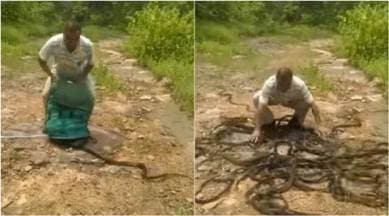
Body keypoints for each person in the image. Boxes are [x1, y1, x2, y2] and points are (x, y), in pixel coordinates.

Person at [38, 20, 95, 140]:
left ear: (79, 36)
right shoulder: (54, 42)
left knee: (91, 97)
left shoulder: (87, 45)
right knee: (45, 94)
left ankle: (82, 124)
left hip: (78, 72)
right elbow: (41, 58)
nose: (72, 42)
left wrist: (83, 76)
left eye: (76, 39)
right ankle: (47, 119)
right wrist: (51, 75)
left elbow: (91, 64)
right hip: (59, 71)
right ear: (63, 35)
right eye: (68, 38)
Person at [250, 67, 321, 143]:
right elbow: (261, 108)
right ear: (276, 79)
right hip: (274, 99)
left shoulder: (300, 84)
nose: (283, 87)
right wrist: (257, 129)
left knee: (306, 103)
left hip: (291, 101)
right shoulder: (269, 84)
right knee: (256, 98)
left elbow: (314, 106)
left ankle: (295, 122)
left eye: (286, 84)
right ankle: (269, 122)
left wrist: (318, 127)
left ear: (291, 80)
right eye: (280, 84)